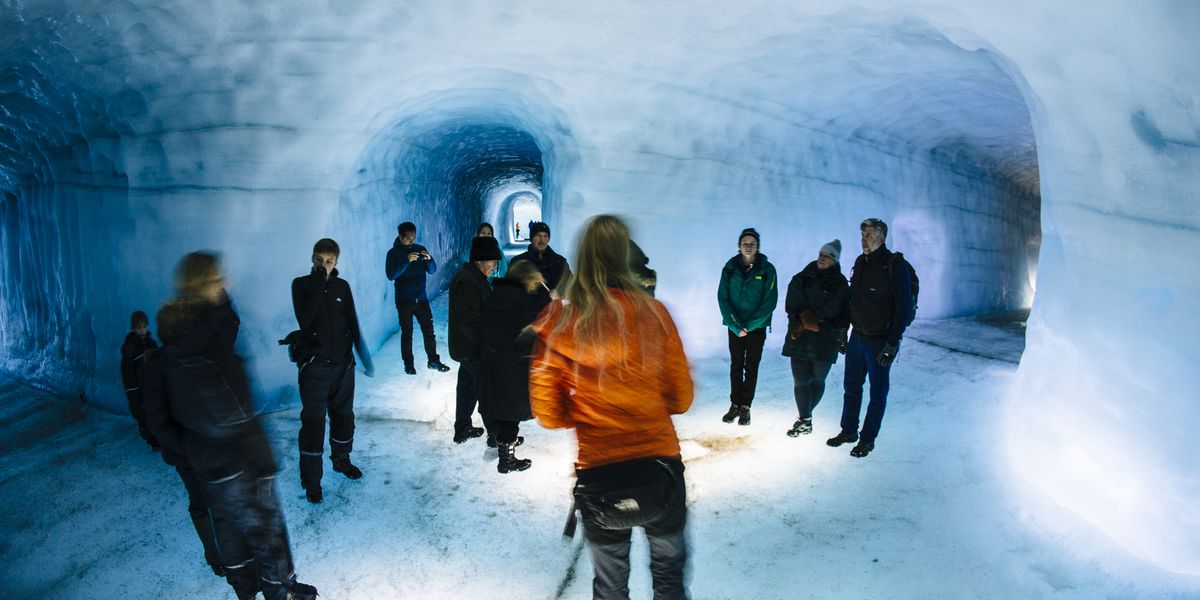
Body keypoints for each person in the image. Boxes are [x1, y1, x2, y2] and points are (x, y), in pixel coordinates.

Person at [530, 214, 694, 600]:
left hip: (601, 475)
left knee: (610, 585)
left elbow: (547, 414)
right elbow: (681, 399)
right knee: (669, 579)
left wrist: (588, 412)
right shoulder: (656, 315)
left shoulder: (560, 321)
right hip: (661, 470)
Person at [143, 252, 317, 600]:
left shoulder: (179, 336)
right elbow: (220, 407)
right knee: (265, 529)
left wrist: (191, 448)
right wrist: (245, 448)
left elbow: (161, 419)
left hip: (211, 460)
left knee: (230, 526)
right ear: (199, 286)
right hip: (239, 453)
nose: (226, 285)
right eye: (216, 280)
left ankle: (246, 589)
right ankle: (281, 592)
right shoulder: (205, 334)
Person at [293, 238, 373, 504]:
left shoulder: (342, 287)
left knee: (343, 416)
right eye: (318, 260)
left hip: (342, 366)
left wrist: (361, 356)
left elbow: (352, 321)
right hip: (315, 368)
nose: (322, 266)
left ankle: (341, 460)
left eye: (328, 262)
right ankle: (312, 480)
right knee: (313, 423)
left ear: (336, 262)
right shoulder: (302, 285)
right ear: (312, 258)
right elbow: (304, 319)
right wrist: (318, 281)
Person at [827, 218, 915, 458]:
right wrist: (843, 331)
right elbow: (851, 300)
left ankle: (867, 439)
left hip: (880, 341)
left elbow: (903, 307)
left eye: (869, 235)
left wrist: (892, 343)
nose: (864, 240)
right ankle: (848, 431)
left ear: (882, 238)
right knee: (851, 387)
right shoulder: (861, 262)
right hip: (858, 337)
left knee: (878, 392)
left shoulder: (894, 266)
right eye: (863, 235)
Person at [478, 260, 549, 473]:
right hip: (512, 364)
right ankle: (506, 459)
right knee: (511, 412)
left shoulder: (495, 294)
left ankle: (503, 441)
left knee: (499, 406)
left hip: (491, 361)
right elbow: (529, 333)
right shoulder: (523, 300)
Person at [782, 240, 849, 437]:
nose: (822, 257)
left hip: (824, 338)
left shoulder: (841, 284)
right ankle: (805, 420)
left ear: (835, 261)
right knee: (801, 380)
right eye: (821, 253)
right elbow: (792, 298)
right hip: (800, 334)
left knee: (817, 380)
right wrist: (805, 316)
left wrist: (817, 320)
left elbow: (840, 308)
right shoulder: (803, 277)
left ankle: (805, 418)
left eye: (828, 256)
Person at [717, 227, 778, 426]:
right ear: (739, 246)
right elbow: (723, 298)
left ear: (758, 246)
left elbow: (769, 302)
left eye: (752, 243)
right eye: (745, 243)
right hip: (735, 326)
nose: (748, 246)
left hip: (756, 328)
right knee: (736, 365)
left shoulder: (767, 270)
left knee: (751, 367)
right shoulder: (730, 267)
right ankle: (735, 404)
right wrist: (735, 324)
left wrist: (750, 325)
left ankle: (746, 407)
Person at [448, 235, 503, 443]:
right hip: (472, 350)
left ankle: (462, 428)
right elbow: (468, 321)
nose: (495, 265)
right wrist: (487, 345)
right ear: (481, 260)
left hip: (467, 349)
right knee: (486, 392)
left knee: (467, 389)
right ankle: (497, 436)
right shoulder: (467, 282)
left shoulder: (473, 278)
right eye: (493, 261)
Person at [385, 222, 451, 375]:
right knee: (407, 334)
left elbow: (432, 270)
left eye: (413, 237)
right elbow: (391, 275)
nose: (411, 241)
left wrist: (429, 259)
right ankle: (408, 364)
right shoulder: (393, 253)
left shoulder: (419, 249)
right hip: (404, 301)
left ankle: (433, 360)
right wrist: (406, 261)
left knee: (429, 331)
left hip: (421, 299)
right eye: (408, 238)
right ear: (400, 236)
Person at [121, 310, 160, 450]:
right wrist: (133, 393)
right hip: (140, 389)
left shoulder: (151, 343)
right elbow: (128, 374)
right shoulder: (130, 349)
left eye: (144, 327)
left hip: (152, 386)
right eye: (139, 327)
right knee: (145, 415)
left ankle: (159, 439)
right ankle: (153, 440)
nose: (142, 330)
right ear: (133, 328)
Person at [511, 221, 570, 299]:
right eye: (538, 235)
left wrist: (560, 294)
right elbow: (509, 289)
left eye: (545, 236)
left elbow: (571, 286)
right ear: (531, 238)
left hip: (553, 309)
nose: (542, 240)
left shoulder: (560, 262)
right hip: (525, 309)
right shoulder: (518, 261)